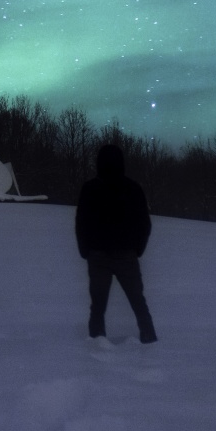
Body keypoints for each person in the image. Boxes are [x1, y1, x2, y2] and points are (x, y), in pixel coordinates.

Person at [75, 142, 157, 344]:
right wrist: (137, 249)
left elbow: (81, 223)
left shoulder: (91, 188)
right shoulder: (132, 188)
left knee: (99, 306)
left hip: (103, 255)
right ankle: (148, 340)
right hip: (117, 255)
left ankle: (97, 344)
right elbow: (144, 223)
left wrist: (86, 250)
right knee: (138, 303)